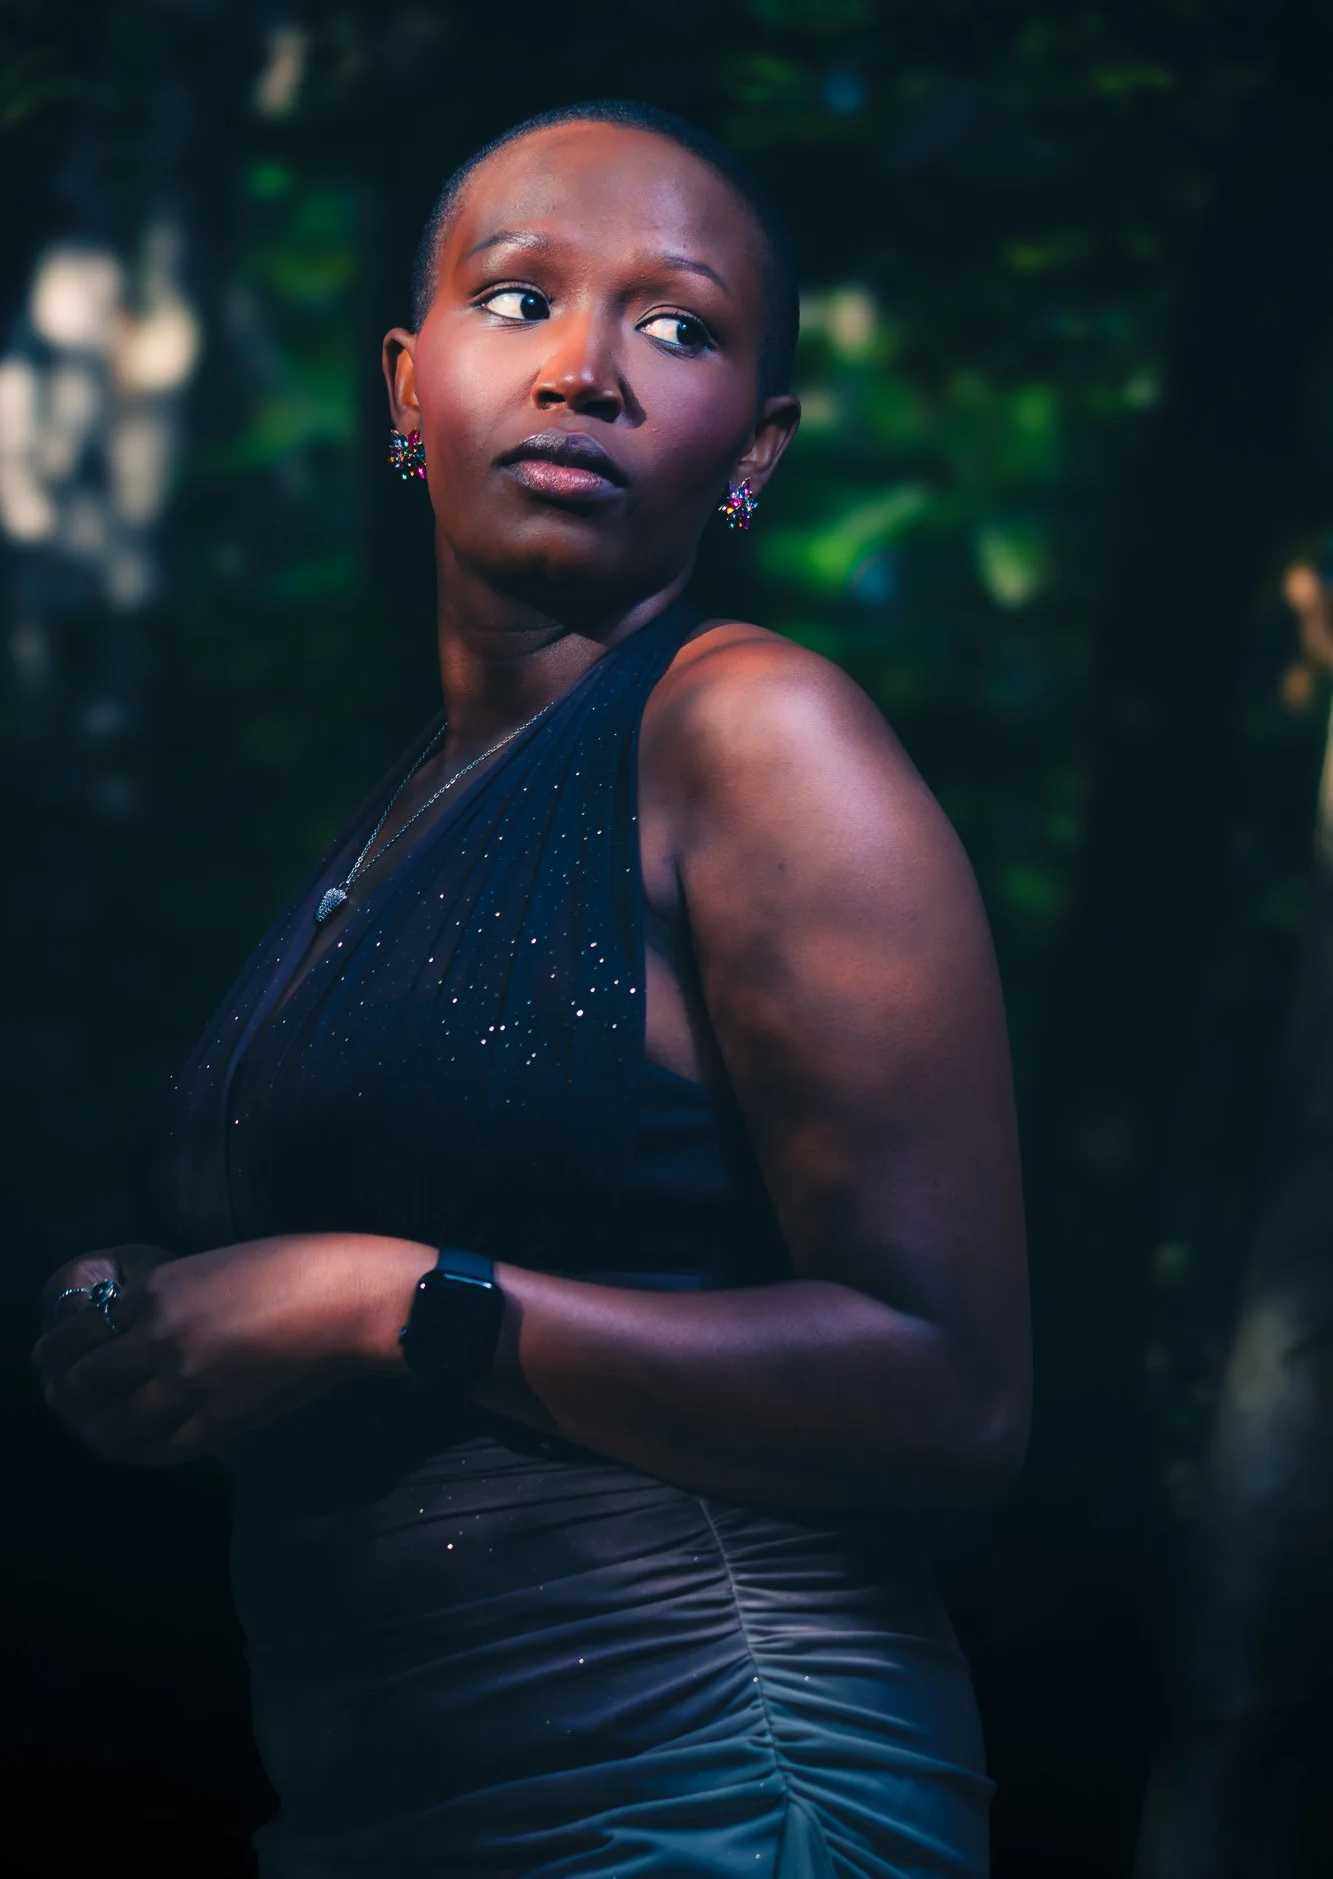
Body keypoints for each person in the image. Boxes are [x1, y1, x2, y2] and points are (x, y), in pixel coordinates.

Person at [33, 100, 1031, 1878]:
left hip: (719, 1794)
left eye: (678, 327)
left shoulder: (754, 735)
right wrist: (143, 1296)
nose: (586, 370)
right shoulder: (403, 801)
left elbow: (952, 1391)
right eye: (519, 300)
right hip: (387, 1819)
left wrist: (390, 1299)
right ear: (407, 389)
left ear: (757, 449)